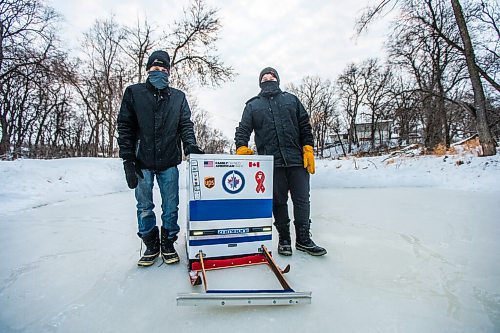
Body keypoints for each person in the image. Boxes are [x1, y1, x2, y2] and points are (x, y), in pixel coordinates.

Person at [117, 50, 204, 267]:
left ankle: (168, 243)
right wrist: (127, 159)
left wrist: (190, 145)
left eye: (163, 69)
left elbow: (185, 124)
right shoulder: (134, 93)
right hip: (141, 161)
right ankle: (150, 244)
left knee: (171, 206)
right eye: (155, 69)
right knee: (144, 206)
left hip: (168, 161)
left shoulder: (178, 97)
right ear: (148, 70)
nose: (159, 72)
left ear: (169, 72)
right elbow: (125, 126)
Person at [234, 67, 326, 257]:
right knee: (278, 201)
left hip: (297, 161)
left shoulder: (291, 100)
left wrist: (308, 147)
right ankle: (284, 238)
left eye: (272, 76)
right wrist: (241, 147)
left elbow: (304, 126)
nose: (269, 78)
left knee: (302, 200)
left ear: (277, 79)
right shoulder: (253, 105)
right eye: (265, 77)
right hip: (271, 163)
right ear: (260, 82)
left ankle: (303, 239)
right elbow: (243, 130)